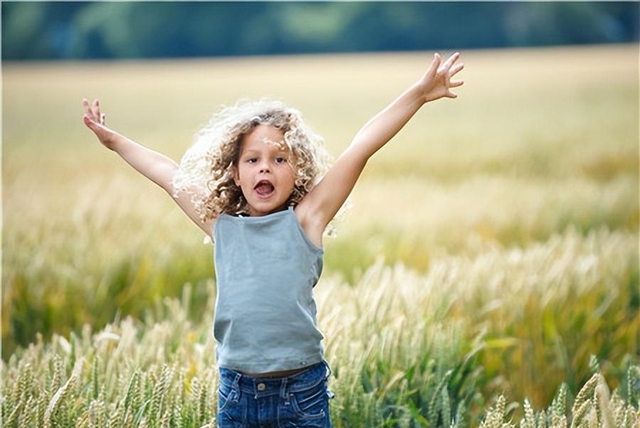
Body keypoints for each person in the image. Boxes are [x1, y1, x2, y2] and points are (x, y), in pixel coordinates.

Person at [82, 52, 464, 428]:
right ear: (234, 172)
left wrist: (418, 93)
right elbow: (167, 173)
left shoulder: (306, 220)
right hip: (236, 392)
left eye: (280, 159)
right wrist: (113, 140)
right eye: (252, 160)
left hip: (301, 392)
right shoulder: (221, 225)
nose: (265, 166)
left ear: (298, 171)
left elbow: (361, 146)